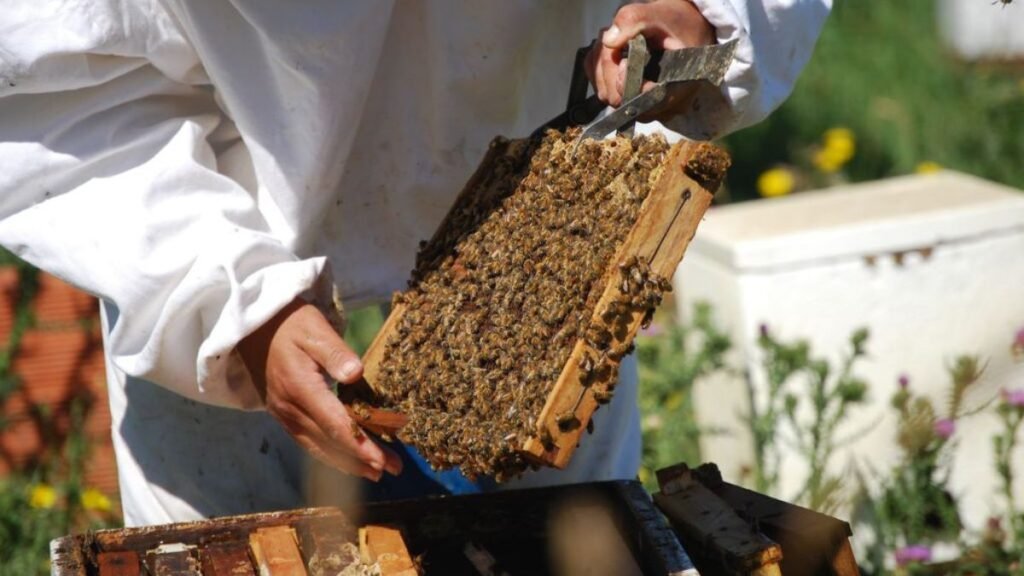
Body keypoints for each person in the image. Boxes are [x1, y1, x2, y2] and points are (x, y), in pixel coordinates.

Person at [0, 0, 830, 526]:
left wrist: (703, 16)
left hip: (539, 240)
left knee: (561, 532)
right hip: (211, 230)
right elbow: (55, 90)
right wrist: (227, 304)